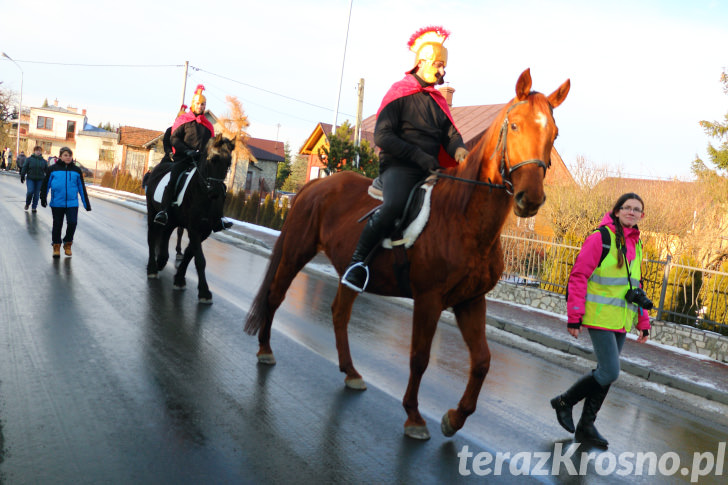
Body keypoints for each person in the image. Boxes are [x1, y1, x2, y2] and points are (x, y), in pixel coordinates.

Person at [341, 26, 468, 292]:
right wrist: (418, 156)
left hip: (431, 169)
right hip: (400, 166)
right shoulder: (399, 92)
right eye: (439, 65)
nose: (443, 72)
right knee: (395, 204)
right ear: (422, 63)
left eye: (444, 66)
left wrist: (460, 150)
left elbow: (450, 135)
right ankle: (357, 263)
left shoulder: (437, 100)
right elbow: (382, 137)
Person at [550, 193, 651, 448]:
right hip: (598, 317)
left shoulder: (637, 244)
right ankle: (564, 401)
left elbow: (635, 286)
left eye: (636, 209)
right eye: (626, 207)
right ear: (616, 211)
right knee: (610, 371)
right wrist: (574, 316)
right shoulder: (600, 238)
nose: (631, 211)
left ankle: (586, 427)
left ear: (642, 215)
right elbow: (578, 276)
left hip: (620, 319)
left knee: (607, 374)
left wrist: (643, 321)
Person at [153, 88, 231, 231]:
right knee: (174, 178)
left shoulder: (208, 126)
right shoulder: (184, 121)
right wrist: (187, 151)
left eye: (204, 104)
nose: (201, 107)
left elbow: (211, 145)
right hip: (183, 159)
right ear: (193, 104)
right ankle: (164, 211)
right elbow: (174, 138)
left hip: (201, 162)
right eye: (199, 104)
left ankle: (217, 218)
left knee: (220, 186)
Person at [40, 147, 92, 258]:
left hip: (72, 203)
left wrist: (86, 203)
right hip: (57, 203)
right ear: (60, 156)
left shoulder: (76, 171)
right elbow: (46, 185)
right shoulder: (52, 169)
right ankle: (56, 246)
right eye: (65, 155)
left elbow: (81, 188)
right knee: (57, 225)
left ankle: (67, 243)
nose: (68, 157)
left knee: (72, 223)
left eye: (70, 155)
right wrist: (43, 197)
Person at [20, 146, 48, 212]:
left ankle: (34, 207)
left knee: (36, 194)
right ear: (34, 151)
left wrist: (47, 178)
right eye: (37, 150)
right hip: (30, 179)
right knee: (30, 192)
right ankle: (27, 203)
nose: (38, 152)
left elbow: (47, 170)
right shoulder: (29, 159)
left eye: (39, 151)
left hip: (40, 180)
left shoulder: (43, 161)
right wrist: (22, 175)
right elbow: (24, 167)